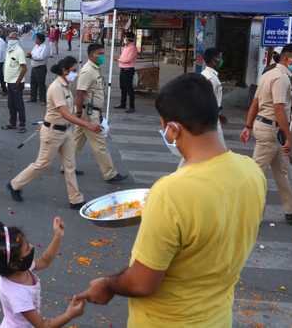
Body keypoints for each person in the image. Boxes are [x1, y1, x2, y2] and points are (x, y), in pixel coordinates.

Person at [77, 73, 266, 327]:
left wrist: (108, 284)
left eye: (163, 125)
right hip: (217, 319)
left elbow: (142, 282)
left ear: (173, 129)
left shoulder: (170, 193)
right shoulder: (252, 171)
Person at [7, 56, 102, 209]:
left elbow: (69, 112)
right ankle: (14, 184)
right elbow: (65, 113)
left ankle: (76, 199)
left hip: (66, 131)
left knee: (70, 166)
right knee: (42, 164)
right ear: (64, 71)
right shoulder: (56, 87)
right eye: (73, 71)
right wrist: (88, 125)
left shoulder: (66, 86)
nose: (75, 74)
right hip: (53, 132)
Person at [240, 44, 292, 225]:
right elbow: (278, 109)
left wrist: (248, 126)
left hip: (268, 128)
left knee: (284, 172)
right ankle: (248, 215)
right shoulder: (280, 78)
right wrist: (289, 136)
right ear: (288, 59)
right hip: (271, 130)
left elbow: (256, 102)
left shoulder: (268, 74)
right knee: (257, 175)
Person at [0, 218, 85, 328]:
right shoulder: (18, 295)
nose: (32, 247)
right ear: (14, 264)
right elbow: (43, 326)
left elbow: (44, 261)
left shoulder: (18, 268)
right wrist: (69, 315)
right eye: (27, 249)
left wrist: (57, 236)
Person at [73, 44, 127, 183]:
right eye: (99, 53)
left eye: (103, 53)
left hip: (90, 110)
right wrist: (79, 113)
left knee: (76, 140)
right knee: (99, 144)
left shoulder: (95, 69)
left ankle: (67, 165)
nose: (102, 56)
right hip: (88, 113)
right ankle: (110, 173)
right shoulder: (88, 71)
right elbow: (80, 93)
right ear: (91, 55)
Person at [200, 48, 227, 145]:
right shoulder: (210, 78)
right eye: (219, 57)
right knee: (219, 150)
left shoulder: (206, 75)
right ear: (213, 60)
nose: (221, 60)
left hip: (211, 118)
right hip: (210, 120)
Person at [3, 31, 27, 133]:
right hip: (9, 81)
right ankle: (12, 123)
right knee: (11, 104)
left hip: (16, 82)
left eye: (12, 38)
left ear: (16, 40)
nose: (10, 40)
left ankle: (22, 125)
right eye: (9, 38)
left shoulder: (19, 51)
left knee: (19, 104)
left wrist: (18, 81)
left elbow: (24, 68)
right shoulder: (9, 50)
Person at [115, 32, 138, 114]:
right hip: (123, 69)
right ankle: (123, 104)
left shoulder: (133, 48)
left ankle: (132, 107)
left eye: (125, 38)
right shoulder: (125, 47)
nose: (124, 39)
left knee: (129, 88)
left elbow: (127, 60)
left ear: (129, 39)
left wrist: (118, 60)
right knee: (123, 87)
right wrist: (120, 59)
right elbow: (122, 57)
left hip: (128, 70)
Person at [28, 33, 48, 104]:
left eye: (36, 38)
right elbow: (33, 53)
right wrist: (30, 55)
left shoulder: (44, 47)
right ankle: (33, 98)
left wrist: (32, 56)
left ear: (40, 39)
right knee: (33, 83)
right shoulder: (36, 46)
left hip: (40, 67)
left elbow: (41, 57)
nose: (35, 40)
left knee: (41, 84)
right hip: (34, 67)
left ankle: (43, 100)